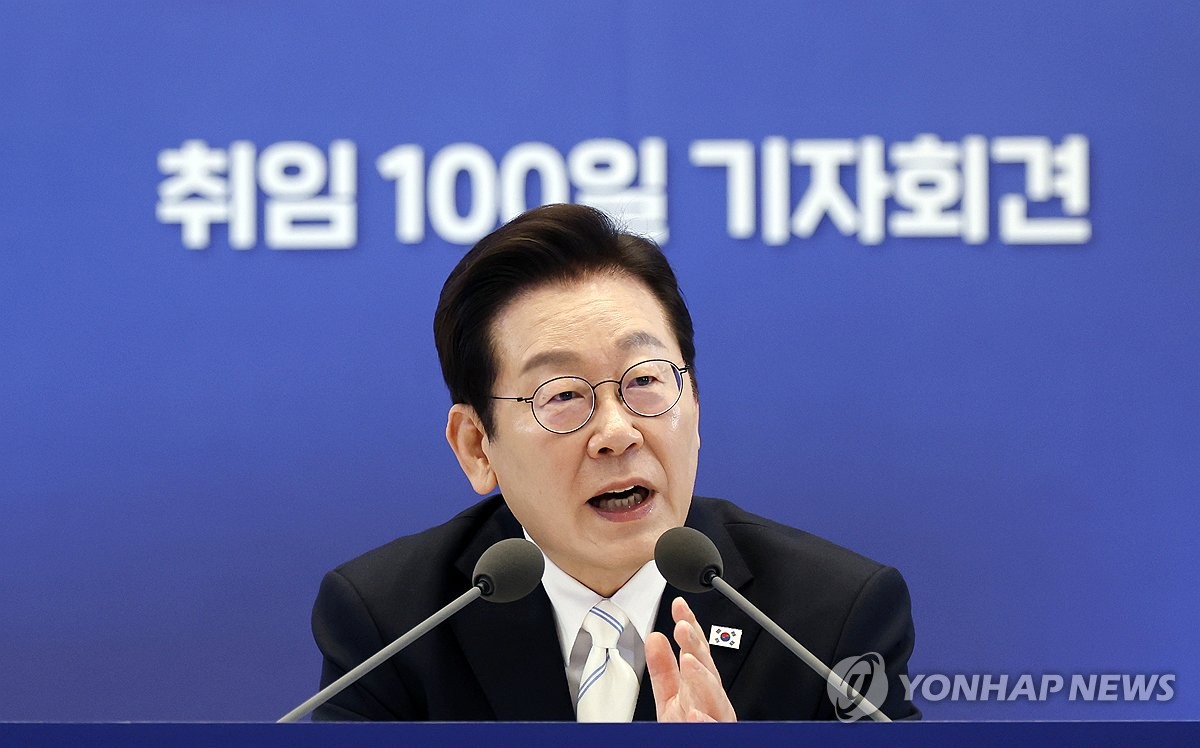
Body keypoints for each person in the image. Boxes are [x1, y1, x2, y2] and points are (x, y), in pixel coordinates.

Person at [310, 203, 918, 722]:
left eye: (646, 380)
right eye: (562, 396)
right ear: (476, 445)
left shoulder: (829, 618)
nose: (617, 433)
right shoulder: (391, 626)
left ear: (696, 404)